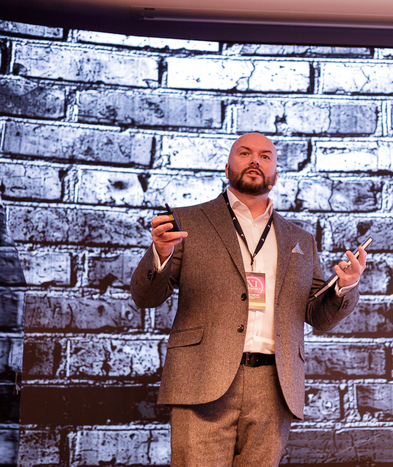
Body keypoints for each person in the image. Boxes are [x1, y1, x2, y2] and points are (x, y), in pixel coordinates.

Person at [130, 132, 367, 467]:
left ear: (276, 174)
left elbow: (318, 316)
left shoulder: (300, 239)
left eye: (266, 156)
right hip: (202, 378)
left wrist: (346, 285)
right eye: (245, 153)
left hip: (274, 388)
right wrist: (161, 252)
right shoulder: (186, 222)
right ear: (227, 168)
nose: (256, 160)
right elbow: (146, 296)